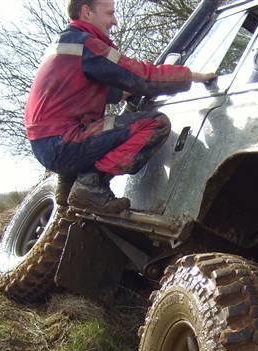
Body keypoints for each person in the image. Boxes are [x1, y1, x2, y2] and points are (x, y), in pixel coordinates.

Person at [25, 0, 216, 213]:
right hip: (65, 142)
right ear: (87, 12)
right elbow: (142, 76)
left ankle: (67, 185)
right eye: (110, 13)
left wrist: (129, 90)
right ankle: (90, 187)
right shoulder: (87, 45)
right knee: (156, 124)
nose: (114, 21)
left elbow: (97, 92)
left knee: (103, 127)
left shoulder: (65, 44)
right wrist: (191, 76)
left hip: (46, 143)